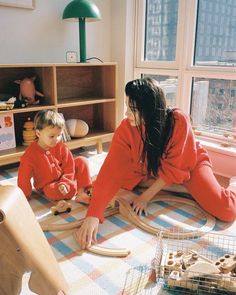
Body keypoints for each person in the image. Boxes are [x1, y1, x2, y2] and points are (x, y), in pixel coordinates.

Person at [75, 77, 236, 249]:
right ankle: (176, 187)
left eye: (133, 109)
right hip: (149, 167)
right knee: (112, 183)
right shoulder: (126, 128)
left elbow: (176, 167)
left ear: (150, 109)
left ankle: (233, 183)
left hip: (187, 163)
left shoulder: (178, 120)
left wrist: (144, 198)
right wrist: (93, 214)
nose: (127, 113)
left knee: (226, 211)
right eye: (127, 106)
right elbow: (111, 169)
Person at [18, 109, 92, 201]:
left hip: (65, 178)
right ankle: (79, 186)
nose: (56, 139)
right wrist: (23, 195)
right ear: (38, 133)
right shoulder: (30, 155)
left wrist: (65, 182)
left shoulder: (61, 147)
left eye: (59, 135)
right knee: (51, 191)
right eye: (52, 136)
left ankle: (81, 192)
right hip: (49, 185)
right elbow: (23, 177)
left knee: (82, 160)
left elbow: (69, 167)